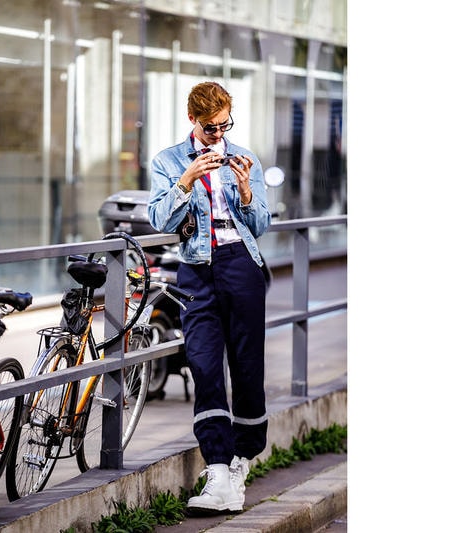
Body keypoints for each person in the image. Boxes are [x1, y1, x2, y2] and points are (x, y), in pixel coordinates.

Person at [147, 81, 271, 514]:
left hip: (241, 263)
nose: (220, 134)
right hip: (196, 269)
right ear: (193, 121)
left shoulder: (245, 158)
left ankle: (240, 459)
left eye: (225, 125)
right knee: (201, 362)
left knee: (247, 363)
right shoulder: (167, 161)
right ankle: (217, 465)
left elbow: (262, 224)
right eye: (212, 127)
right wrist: (186, 180)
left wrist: (246, 191)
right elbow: (161, 218)